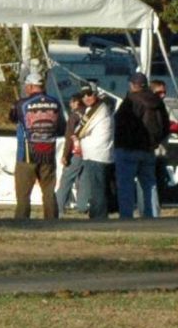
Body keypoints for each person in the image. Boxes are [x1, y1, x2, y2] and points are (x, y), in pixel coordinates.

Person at [11, 74, 65, 221]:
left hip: (26, 154)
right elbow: (61, 128)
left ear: (30, 86)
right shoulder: (55, 103)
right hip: (48, 152)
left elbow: (13, 118)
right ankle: (52, 220)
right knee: (48, 191)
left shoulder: (22, 103)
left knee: (23, 193)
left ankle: (21, 221)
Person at [114, 72, 167, 220]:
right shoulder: (157, 101)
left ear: (132, 85)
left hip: (128, 148)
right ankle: (152, 216)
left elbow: (120, 124)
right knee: (150, 185)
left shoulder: (130, 101)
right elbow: (165, 125)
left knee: (126, 186)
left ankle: (126, 217)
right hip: (148, 149)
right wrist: (155, 142)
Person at [71, 86, 116, 220]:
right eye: (83, 95)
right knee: (98, 188)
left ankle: (99, 218)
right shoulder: (101, 107)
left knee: (97, 189)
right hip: (100, 154)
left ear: (96, 94)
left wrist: (76, 136)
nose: (86, 98)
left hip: (97, 155)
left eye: (89, 94)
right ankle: (97, 215)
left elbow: (80, 130)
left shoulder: (97, 109)